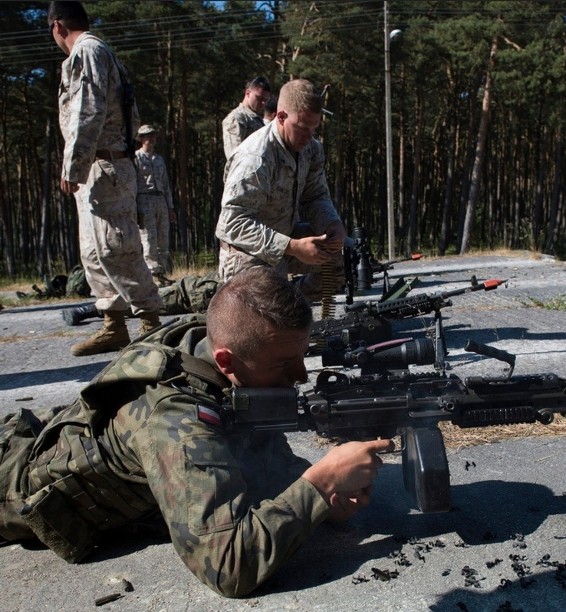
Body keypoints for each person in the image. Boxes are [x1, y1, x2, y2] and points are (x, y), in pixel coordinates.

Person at [0, 266, 394, 598]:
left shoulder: (213, 354)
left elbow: (261, 462)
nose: (300, 376)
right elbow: (229, 566)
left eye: (301, 356)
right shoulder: (177, 421)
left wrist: (323, 503)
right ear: (227, 360)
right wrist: (319, 485)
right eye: (283, 364)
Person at [48, 1, 161, 356]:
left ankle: (150, 324)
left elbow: (88, 110)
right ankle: (114, 325)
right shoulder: (97, 52)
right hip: (100, 169)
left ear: (57, 26)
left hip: (105, 165)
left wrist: (73, 164)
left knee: (118, 246)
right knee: (94, 252)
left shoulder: (88, 52)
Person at [215, 78, 346, 301]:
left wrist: (332, 224)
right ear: (281, 116)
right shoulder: (256, 157)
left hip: (285, 237)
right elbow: (232, 224)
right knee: (268, 318)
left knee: (342, 257)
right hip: (248, 254)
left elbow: (315, 195)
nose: (309, 136)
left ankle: (293, 303)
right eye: (303, 128)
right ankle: (280, 308)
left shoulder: (310, 149)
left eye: (314, 128)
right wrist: (292, 246)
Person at [135, 124, 177, 287]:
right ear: (141, 138)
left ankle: (161, 272)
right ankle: (152, 274)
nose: (151, 139)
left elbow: (166, 185)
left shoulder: (158, 159)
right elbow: (133, 184)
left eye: (153, 136)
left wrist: (170, 206)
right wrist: (135, 207)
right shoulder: (136, 158)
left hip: (160, 200)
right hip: (144, 200)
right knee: (149, 239)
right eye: (147, 136)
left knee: (163, 238)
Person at [221, 76, 271, 161]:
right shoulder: (236, 118)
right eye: (259, 98)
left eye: (265, 100)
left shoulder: (255, 118)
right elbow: (234, 156)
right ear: (248, 93)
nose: (263, 103)